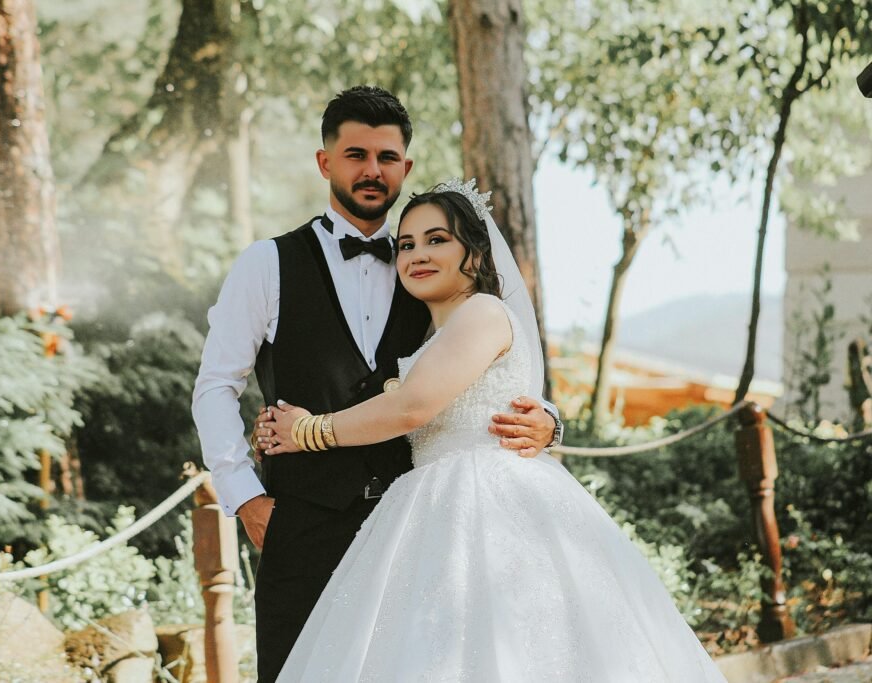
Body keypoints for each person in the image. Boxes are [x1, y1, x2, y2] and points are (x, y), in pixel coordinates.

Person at [264, 183, 729, 682]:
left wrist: (308, 431)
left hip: (487, 498)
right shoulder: (428, 334)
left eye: (437, 239)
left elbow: (411, 406)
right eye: (407, 245)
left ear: (476, 252)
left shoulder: (482, 312)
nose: (418, 254)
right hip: (429, 498)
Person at [191, 86, 561, 682]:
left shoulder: (432, 268)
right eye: (356, 154)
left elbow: (490, 361)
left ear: (405, 167)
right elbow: (215, 386)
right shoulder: (267, 262)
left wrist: (546, 417)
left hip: (418, 529)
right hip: (302, 523)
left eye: (387, 157)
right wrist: (247, 500)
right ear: (325, 163)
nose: (372, 170)